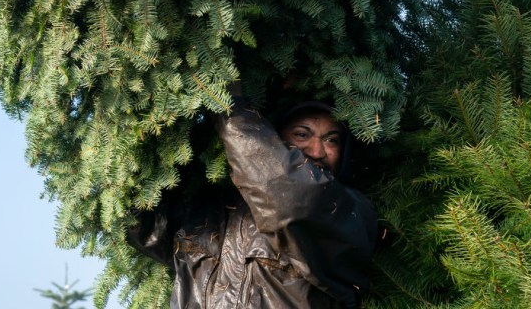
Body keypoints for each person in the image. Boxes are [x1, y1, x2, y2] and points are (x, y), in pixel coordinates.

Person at [128, 96, 377, 308]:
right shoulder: (213, 206)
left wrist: (226, 103)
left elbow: (292, 199)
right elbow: (143, 226)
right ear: (275, 138)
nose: (316, 150)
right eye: (302, 134)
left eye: (331, 140)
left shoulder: (349, 212)